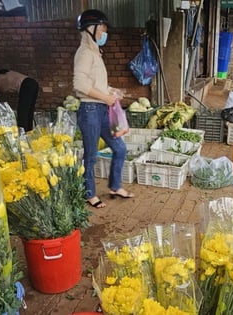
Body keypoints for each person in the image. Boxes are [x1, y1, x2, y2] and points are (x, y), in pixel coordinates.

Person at [73, 9, 134, 209]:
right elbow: (80, 85)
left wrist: (112, 91)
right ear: (91, 28)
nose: (104, 33)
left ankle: (115, 186)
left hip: (100, 110)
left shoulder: (94, 53)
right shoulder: (84, 53)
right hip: (89, 111)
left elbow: (96, 84)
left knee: (120, 148)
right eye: (102, 28)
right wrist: (106, 97)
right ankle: (89, 194)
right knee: (90, 155)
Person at [0, 68, 39, 132]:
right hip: (33, 83)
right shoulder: (3, 73)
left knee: (22, 114)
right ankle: (29, 133)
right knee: (28, 113)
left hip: (26, 85)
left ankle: (23, 136)